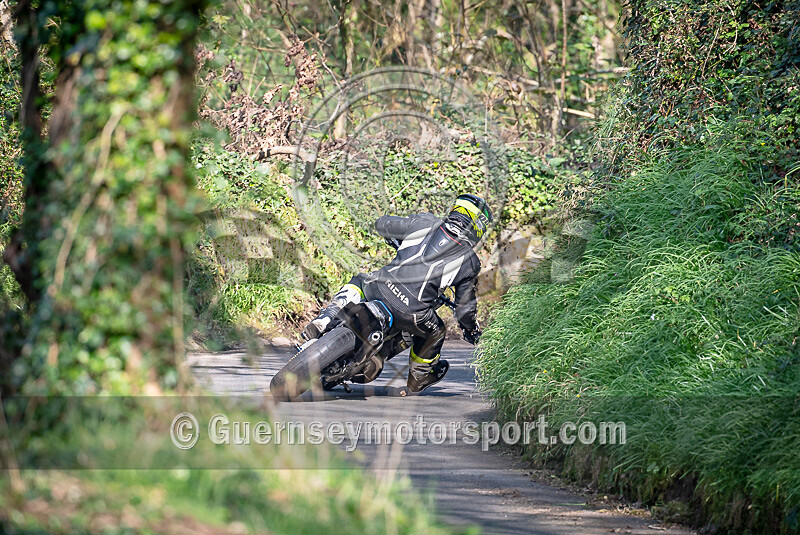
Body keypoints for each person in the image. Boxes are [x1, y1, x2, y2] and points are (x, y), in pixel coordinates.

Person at [301, 193, 491, 393]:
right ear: (477, 226)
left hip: (379, 287)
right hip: (413, 313)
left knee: (359, 280)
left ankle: (326, 317)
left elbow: (382, 224)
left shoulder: (425, 222)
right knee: (436, 332)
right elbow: (464, 308)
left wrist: (396, 238)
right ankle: (420, 376)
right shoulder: (470, 261)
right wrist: (471, 330)